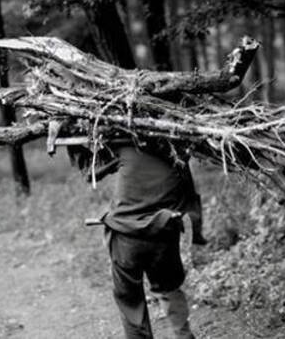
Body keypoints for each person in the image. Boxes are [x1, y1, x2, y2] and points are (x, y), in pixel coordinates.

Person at [70, 138, 203, 339]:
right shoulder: (178, 152)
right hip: (163, 233)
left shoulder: (124, 147)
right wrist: (193, 230)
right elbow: (189, 197)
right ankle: (184, 336)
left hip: (126, 236)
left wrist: (72, 145)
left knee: (130, 299)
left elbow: (90, 170)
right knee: (169, 288)